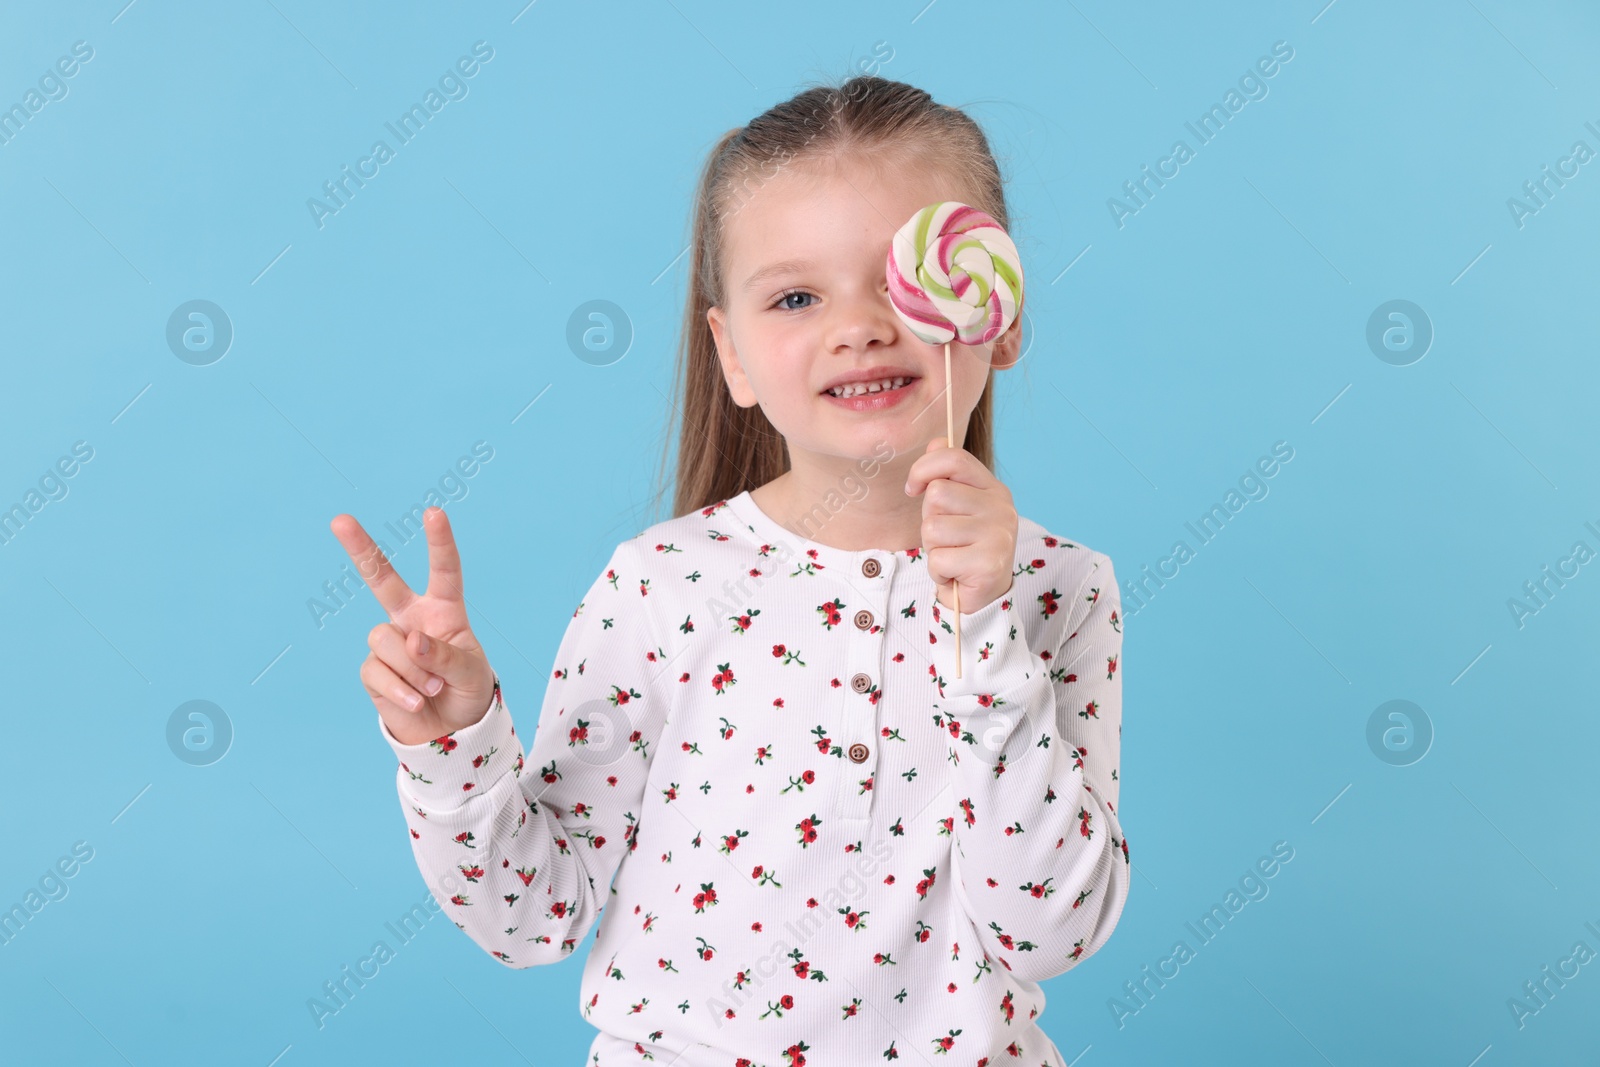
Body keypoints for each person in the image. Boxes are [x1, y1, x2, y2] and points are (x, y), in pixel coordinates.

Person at [329, 73, 1129, 1066]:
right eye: (796, 295)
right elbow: (529, 918)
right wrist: (449, 740)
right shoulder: (663, 585)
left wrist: (987, 632)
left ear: (994, 309)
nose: (859, 325)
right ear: (733, 355)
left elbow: (1051, 930)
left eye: (899, 278)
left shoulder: (1061, 587)